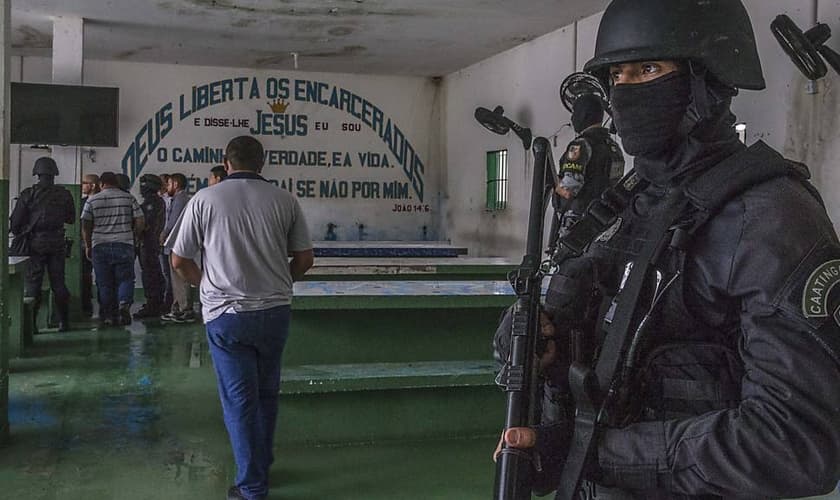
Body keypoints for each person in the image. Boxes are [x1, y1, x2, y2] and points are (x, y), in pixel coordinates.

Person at [496, 1, 840, 499]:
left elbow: (797, 442)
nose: (626, 90)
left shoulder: (771, 217)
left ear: (709, 81)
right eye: (617, 74)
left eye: (650, 69)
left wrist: (594, 452)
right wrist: (545, 343)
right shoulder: (631, 202)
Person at [170, 135, 314, 500]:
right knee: (267, 395)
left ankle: (251, 486)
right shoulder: (285, 200)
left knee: (239, 401)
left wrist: (207, 286)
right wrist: (279, 282)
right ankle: (260, 466)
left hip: (226, 315)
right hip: (275, 313)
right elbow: (304, 259)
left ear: (226, 161)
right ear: (262, 163)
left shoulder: (205, 199)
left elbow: (178, 260)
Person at [9, 157, 75, 332]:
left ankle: (31, 326)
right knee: (59, 283)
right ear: (54, 173)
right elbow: (71, 218)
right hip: (57, 242)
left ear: (37, 173)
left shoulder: (28, 194)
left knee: (33, 284)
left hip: (35, 243)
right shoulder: (65, 194)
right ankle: (63, 322)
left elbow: (15, 224)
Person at [551, 94, 624, 244]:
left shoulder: (581, 145)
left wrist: (552, 184)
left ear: (583, 114)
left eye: (574, 113)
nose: (572, 119)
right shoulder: (614, 147)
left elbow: (569, 189)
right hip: (606, 222)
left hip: (579, 225)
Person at [81, 172, 145, 327]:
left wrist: (88, 245)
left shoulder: (93, 200)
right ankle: (123, 305)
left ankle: (108, 315)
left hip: (100, 245)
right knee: (125, 278)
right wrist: (134, 236)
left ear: (101, 184)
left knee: (104, 283)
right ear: (116, 182)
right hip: (124, 244)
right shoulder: (128, 198)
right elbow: (140, 220)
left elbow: (85, 224)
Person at [160, 173, 194, 323]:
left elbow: (173, 220)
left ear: (174, 184)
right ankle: (178, 307)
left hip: (177, 244)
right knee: (176, 279)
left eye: (168, 184)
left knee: (180, 278)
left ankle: (186, 309)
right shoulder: (180, 198)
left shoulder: (180, 199)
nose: (167, 188)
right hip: (177, 244)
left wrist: (164, 233)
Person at [133, 174, 166, 319]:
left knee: (150, 274)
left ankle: (153, 305)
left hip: (148, 243)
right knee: (151, 273)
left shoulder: (152, 203)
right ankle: (153, 302)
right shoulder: (153, 202)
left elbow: (146, 225)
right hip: (149, 243)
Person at [80, 173, 101, 318]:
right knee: (85, 276)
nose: (82, 185)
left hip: (100, 243)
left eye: (84, 182)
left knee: (102, 277)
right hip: (84, 244)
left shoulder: (102, 200)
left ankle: (104, 306)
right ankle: (86, 305)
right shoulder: (81, 202)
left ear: (92, 185)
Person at [158, 173, 173, 312]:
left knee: (169, 273)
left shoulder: (171, 200)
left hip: (168, 240)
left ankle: (168, 302)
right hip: (159, 241)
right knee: (163, 272)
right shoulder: (158, 200)